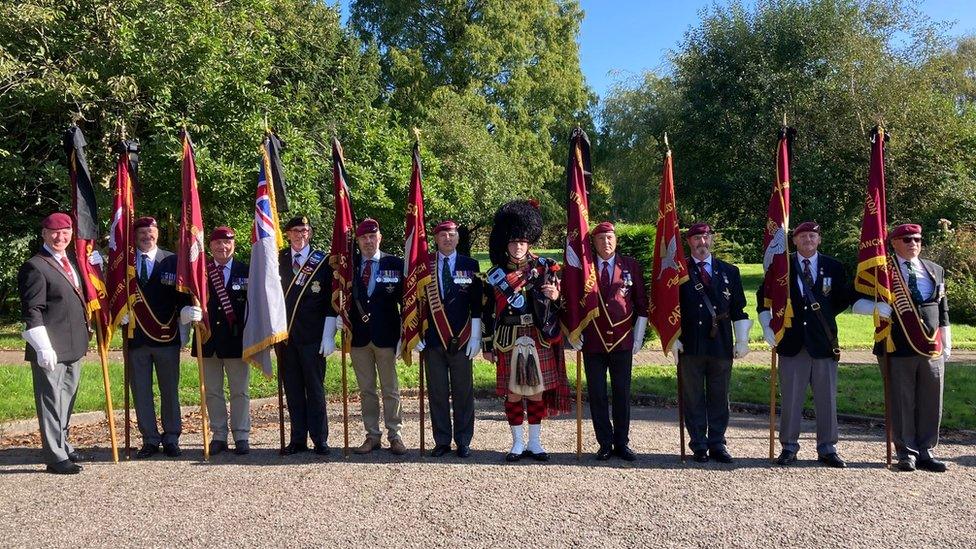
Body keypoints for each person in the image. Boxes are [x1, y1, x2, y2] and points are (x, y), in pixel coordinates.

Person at [852, 223, 951, 473]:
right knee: (902, 400)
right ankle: (906, 452)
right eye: (906, 239)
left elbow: (942, 309)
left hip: (931, 346)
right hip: (897, 345)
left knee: (931, 400)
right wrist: (873, 309)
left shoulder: (935, 269)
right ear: (894, 243)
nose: (913, 244)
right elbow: (853, 300)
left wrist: (947, 342)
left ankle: (927, 450)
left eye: (917, 239)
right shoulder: (882, 271)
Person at [482, 200, 571, 462]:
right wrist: (487, 345)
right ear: (505, 244)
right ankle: (517, 443)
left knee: (536, 391)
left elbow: (564, 305)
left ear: (529, 242)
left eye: (522, 242)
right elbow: (487, 314)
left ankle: (535, 442)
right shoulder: (495, 274)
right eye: (512, 242)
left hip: (537, 334)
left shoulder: (545, 268)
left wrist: (556, 295)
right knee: (513, 392)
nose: (518, 246)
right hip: (509, 339)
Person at [757, 221, 849, 468]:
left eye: (813, 235)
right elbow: (763, 299)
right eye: (802, 236)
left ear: (819, 240)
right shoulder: (781, 265)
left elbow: (840, 300)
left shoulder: (834, 267)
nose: (808, 239)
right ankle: (788, 447)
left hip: (823, 343)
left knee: (826, 399)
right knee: (791, 399)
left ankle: (827, 448)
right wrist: (768, 328)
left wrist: (822, 319)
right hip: (791, 341)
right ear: (794, 240)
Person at [18, 213, 94, 474]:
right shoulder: (35, 266)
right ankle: (55, 456)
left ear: (72, 234)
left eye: (65, 232)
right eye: (54, 232)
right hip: (50, 348)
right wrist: (42, 346)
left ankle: (62, 443)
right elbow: (33, 310)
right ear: (43, 234)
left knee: (66, 400)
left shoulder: (70, 262)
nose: (60, 237)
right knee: (50, 402)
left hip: (74, 346)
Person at [326, 218, 407, 456]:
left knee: (390, 389)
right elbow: (340, 295)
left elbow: (407, 302)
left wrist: (405, 334)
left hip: (386, 336)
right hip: (359, 338)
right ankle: (372, 435)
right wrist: (339, 317)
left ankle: (395, 434)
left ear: (379, 237)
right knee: (366, 390)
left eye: (372, 236)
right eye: (363, 238)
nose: (368, 241)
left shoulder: (395, 264)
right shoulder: (348, 266)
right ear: (358, 241)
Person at [675, 223, 751, 463]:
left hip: (721, 343)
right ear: (689, 242)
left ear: (712, 240)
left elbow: (739, 308)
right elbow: (670, 308)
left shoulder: (729, 271)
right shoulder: (679, 272)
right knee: (693, 396)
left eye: (706, 238)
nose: (702, 243)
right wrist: (672, 338)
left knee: (720, 395)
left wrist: (742, 340)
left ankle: (717, 443)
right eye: (696, 239)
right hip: (690, 343)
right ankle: (698, 444)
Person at [579, 221, 648, 461]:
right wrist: (575, 333)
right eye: (600, 239)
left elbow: (641, 305)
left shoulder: (630, 265)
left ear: (616, 240)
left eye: (609, 238)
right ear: (594, 243)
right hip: (594, 341)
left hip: (622, 340)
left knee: (622, 393)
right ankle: (604, 443)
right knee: (597, 394)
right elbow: (575, 304)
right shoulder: (585, 269)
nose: (606, 242)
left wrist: (638, 337)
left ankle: (622, 442)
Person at [414, 220, 483, 458]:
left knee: (463, 392)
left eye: (451, 234)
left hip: (462, 339)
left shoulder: (470, 264)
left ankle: (463, 440)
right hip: (432, 340)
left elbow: (477, 304)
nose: (447, 239)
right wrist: (415, 334)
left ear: (457, 238)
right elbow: (415, 301)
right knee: (438, 392)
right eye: (443, 235)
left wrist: (476, 336)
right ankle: (442, 440)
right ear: (435, 239)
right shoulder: (424, 265)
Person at [126, 216, 190, 458]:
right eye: (142, 232)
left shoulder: (173, 261)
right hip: (137, 338)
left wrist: (186, 310)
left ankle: (172, 437)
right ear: (135, 236)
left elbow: (183, 294)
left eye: (151, 232)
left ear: (158, 234)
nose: (147, 236)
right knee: (141, 391)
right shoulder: (126, 263)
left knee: (169, 390)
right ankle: (150, 439)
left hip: (166, 337)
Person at [190, 226, 251, 456]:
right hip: (208, 340)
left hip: (236, 341)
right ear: (210, 246)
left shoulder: (246, 271)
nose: (222, 247)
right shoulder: (201, 273)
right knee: (213, 391)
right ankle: (218, 435)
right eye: (217, 243)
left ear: (233, 244)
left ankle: (242, 435)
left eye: (227, 243)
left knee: (240, 391)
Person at [278, 216, 333, 455]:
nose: (301, 235)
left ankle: (320, 438)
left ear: (310, 233)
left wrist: (329, 334)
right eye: (296, 231)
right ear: (288, 233)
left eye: (305, 230)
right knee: (293, 390)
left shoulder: (323, 262)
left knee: (315, 390)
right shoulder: (276, 259)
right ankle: (297, 439)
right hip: (285, 337)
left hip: (313, 337)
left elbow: (331, 300)